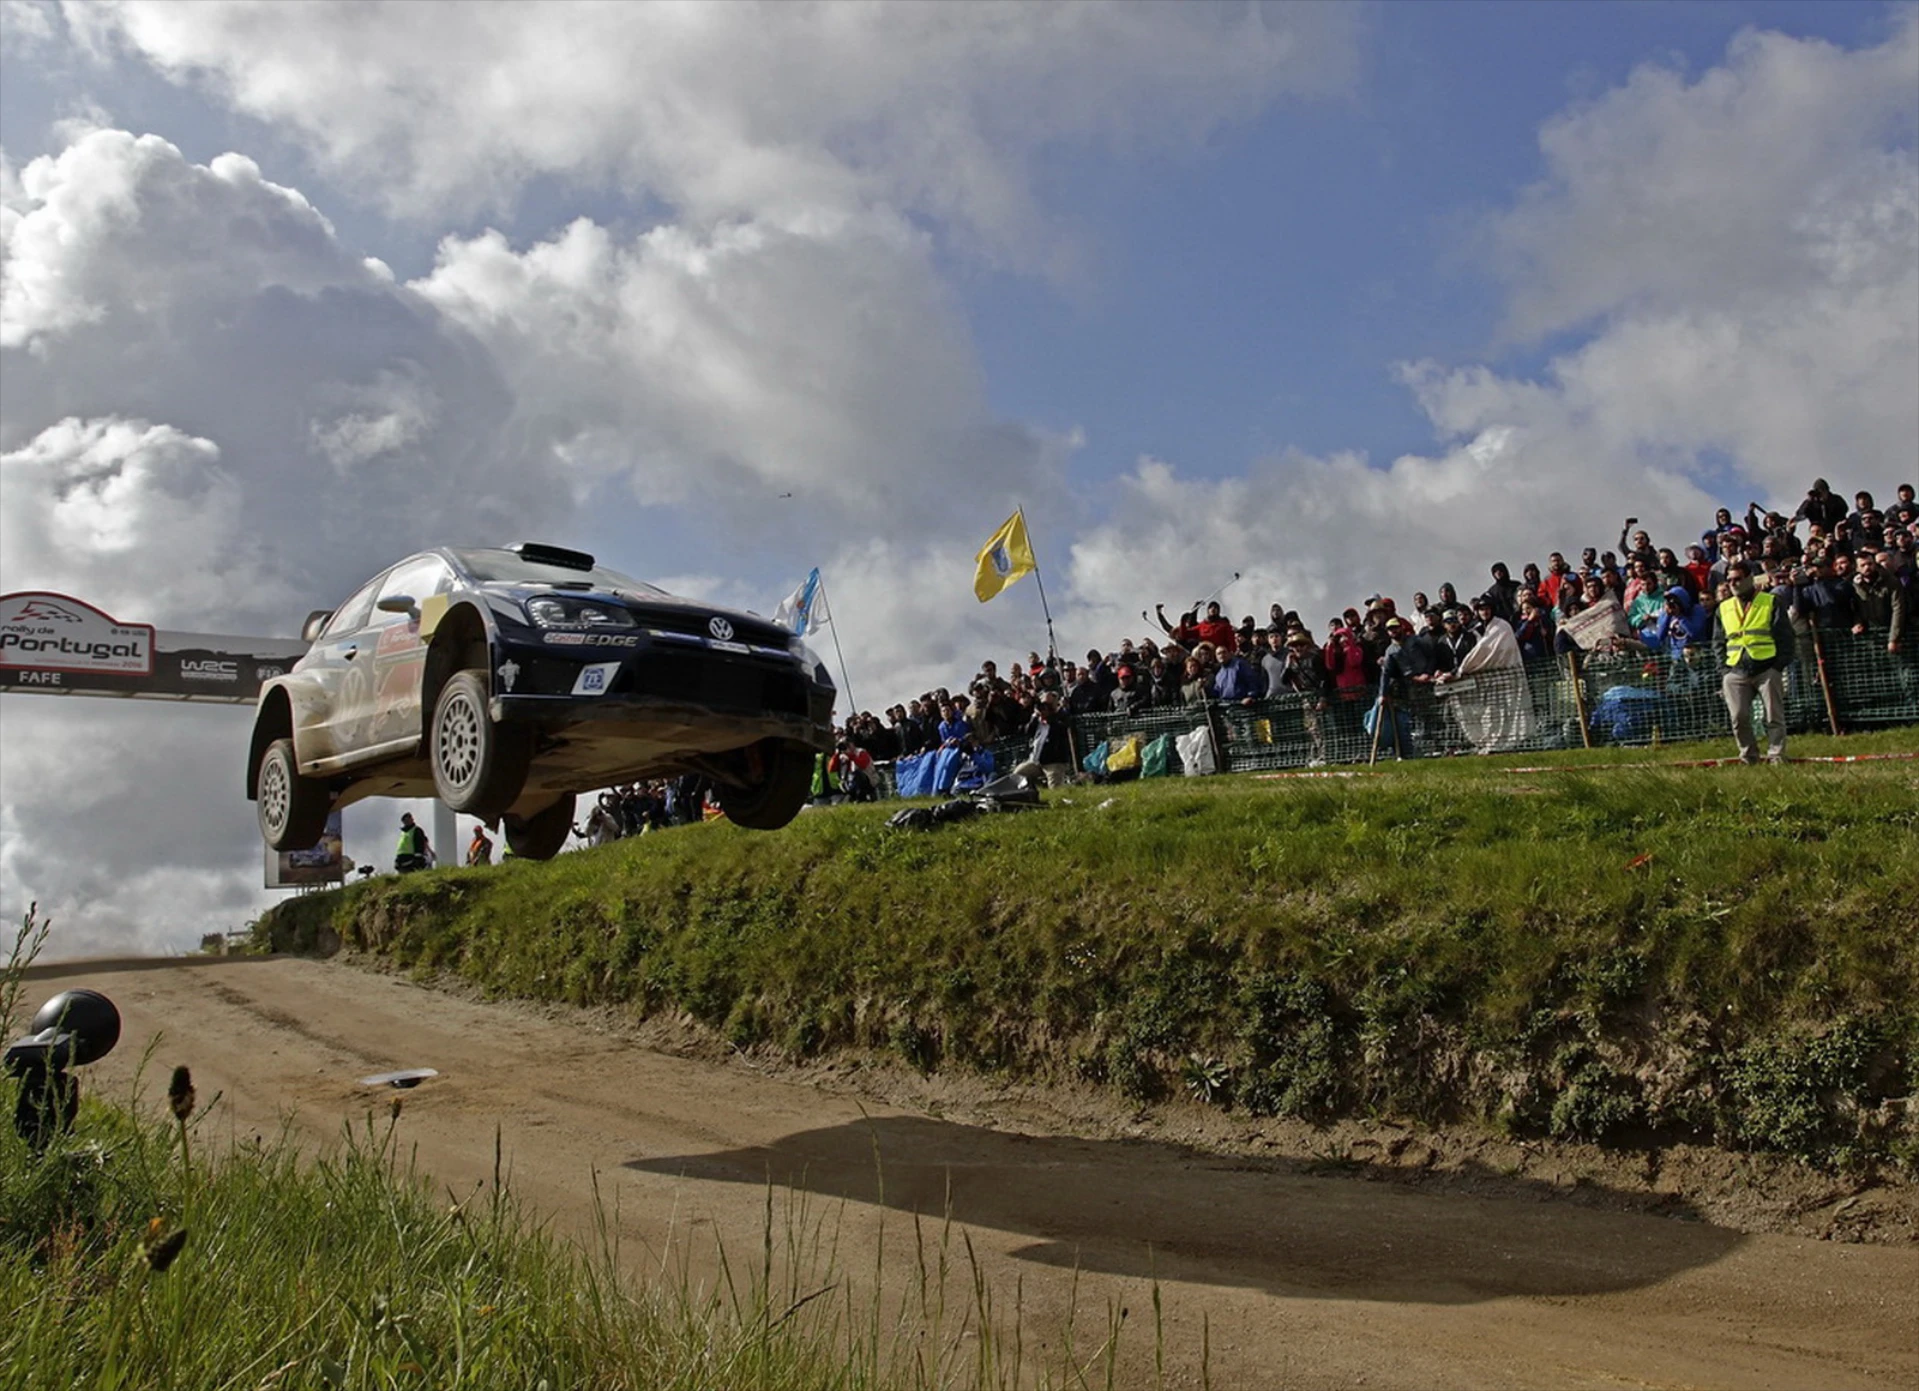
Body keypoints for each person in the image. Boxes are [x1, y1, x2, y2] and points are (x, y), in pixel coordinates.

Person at [1712, 561, 1796, 765]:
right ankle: (1748, 756)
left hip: (1766, 667)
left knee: (1773, 716)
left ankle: (1776, 755)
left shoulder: (1770, 601)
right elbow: (1718, 641)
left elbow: (1785, 636)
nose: (1733, 584)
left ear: (1749, 578)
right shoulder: (1723, 608)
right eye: (1729, 580)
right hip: (1735, 669)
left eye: (1737, 579)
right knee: (1738, 717)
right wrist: (1724, 669)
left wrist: (1777, 666)